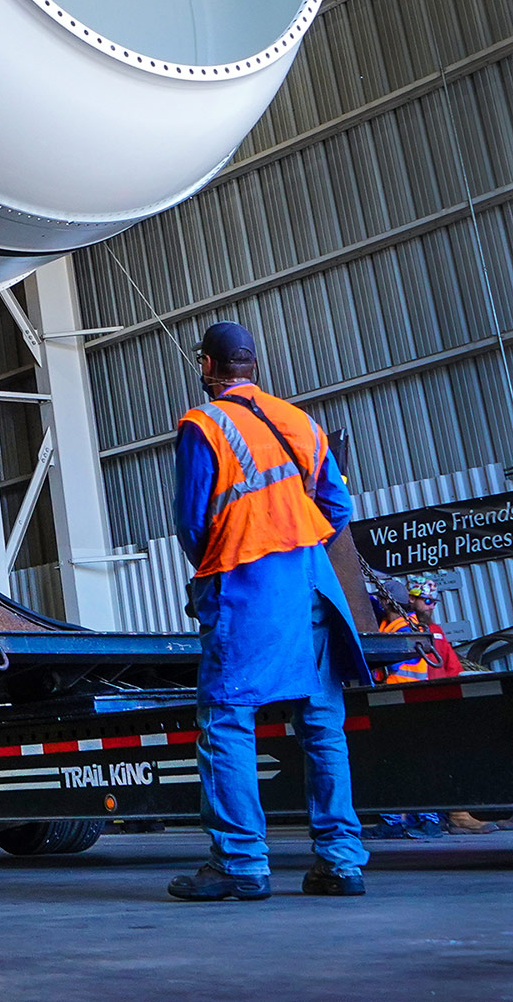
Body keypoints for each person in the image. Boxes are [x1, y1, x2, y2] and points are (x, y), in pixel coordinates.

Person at [166, 323, 370, 902]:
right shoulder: (300, 421)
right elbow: (337, 504)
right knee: (322, 724)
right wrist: (298, 538)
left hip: (250, 581)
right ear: (253, 366)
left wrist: (230, 562)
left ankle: (240, 864)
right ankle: (340, 863)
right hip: (314, 582)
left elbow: (192, 521)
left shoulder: (202, 424)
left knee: (227, 718)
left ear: (207, 365)